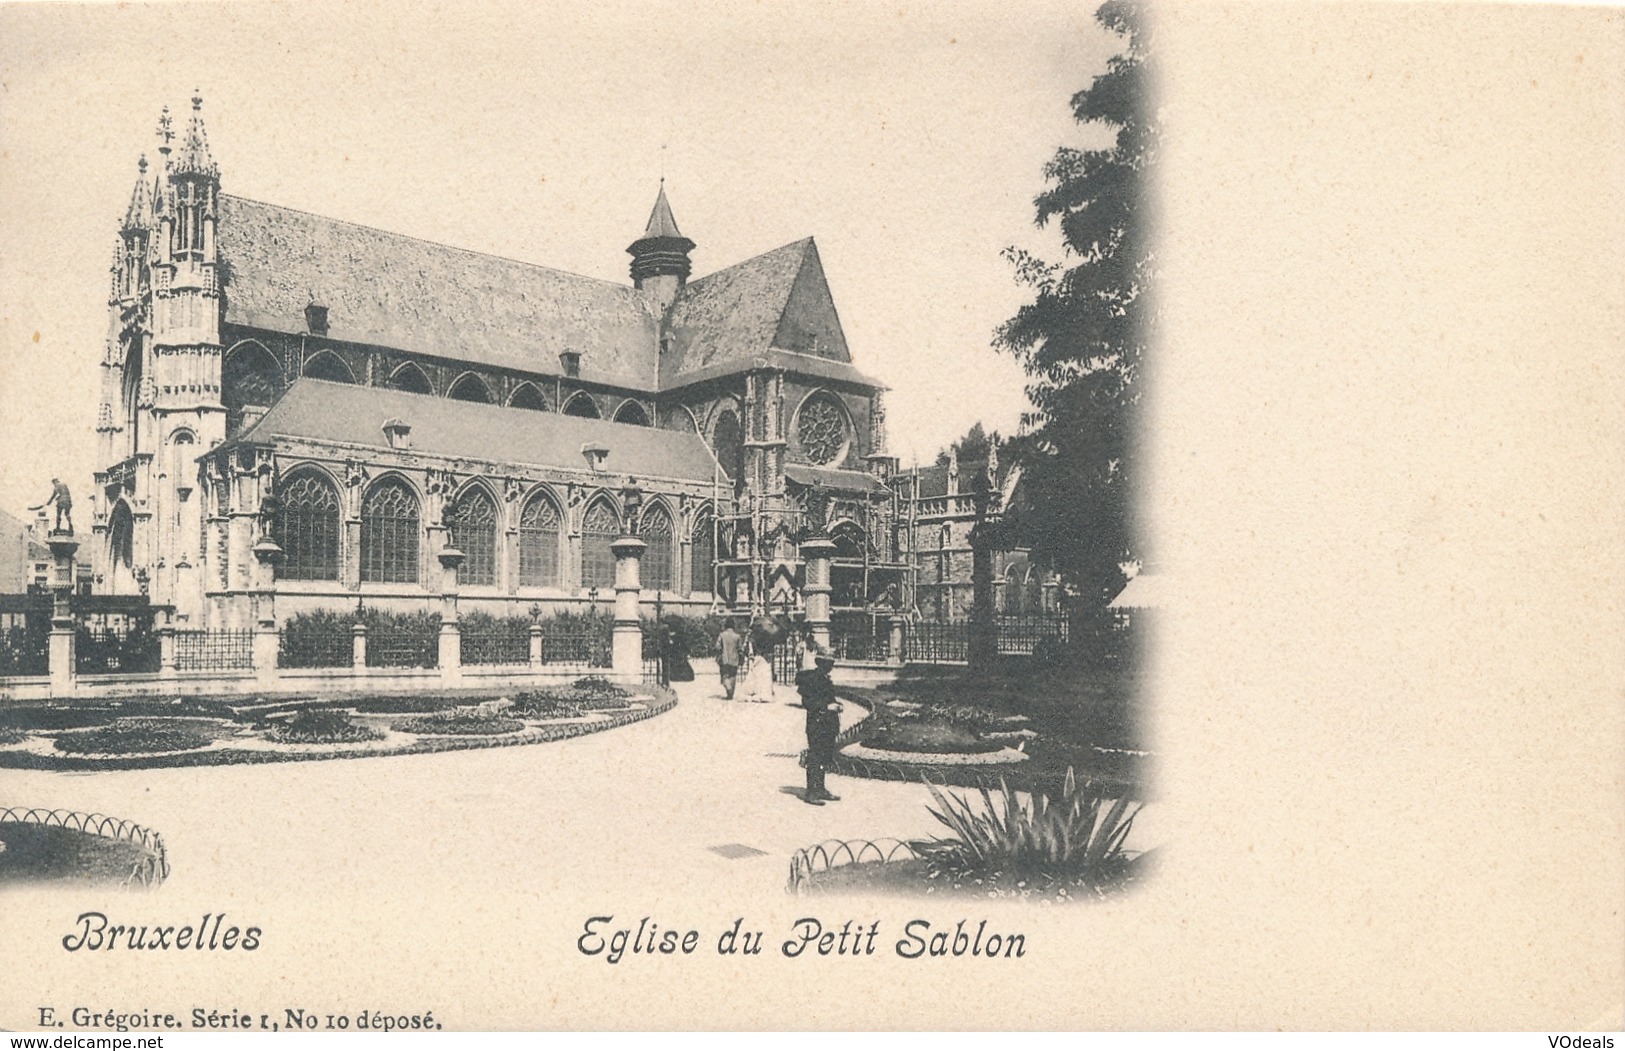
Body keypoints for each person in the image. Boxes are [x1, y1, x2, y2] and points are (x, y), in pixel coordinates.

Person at [795, 654, 842, 805]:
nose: (831, 666)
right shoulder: (812, 679)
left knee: (824, 755)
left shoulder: (825, 678)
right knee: (815, 756)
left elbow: (827, 698)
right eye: (829, 663)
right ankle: (811, 792)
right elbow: (808, 702)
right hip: (817, 723)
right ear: (821, 663)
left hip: (828, 723)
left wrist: (836, 704)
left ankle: (820, 788)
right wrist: (827, 707)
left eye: (832, 663)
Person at [715, 618, 743, 700]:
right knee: (733, 675)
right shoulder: (737, 636)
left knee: (724, 676)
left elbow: (717, 646)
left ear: (726, 625)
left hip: (724, 659)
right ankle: (730, 695)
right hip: (735, 659)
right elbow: (740, 648)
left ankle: (729, 690)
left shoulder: (722, 635)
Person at [662, 617, 694, 683]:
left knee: (679, 665)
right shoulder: (677, 635)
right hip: (677, 654)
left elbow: (683, 644)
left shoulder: (677, 635)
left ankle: (677, 677)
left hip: (677, 654)